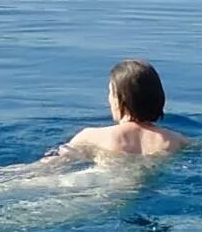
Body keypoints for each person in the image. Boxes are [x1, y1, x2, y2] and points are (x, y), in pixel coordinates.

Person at [52, 59, 186, 161]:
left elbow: (53, 163)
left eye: (110, 92)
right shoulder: (177, 141)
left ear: (119, 100)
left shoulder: (91, 136)